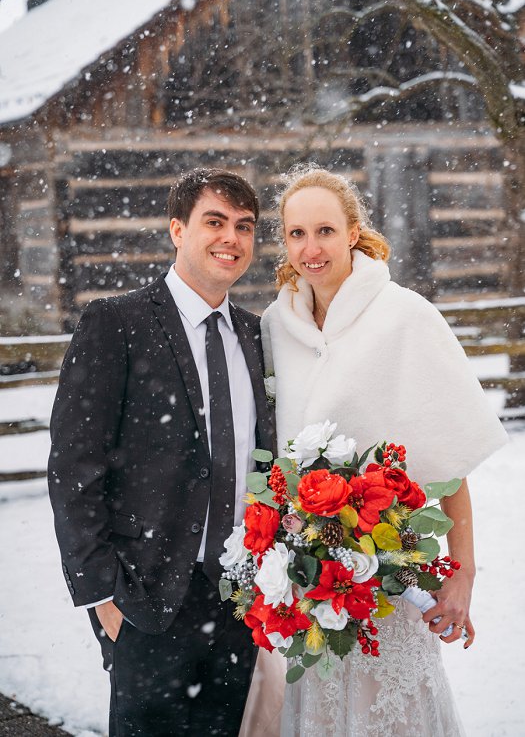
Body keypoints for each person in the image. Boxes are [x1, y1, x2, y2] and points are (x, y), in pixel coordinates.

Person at [260, 166, 508, 737]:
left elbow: (449, 460)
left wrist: (462, 573)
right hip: (309, 590)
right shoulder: (275, 328)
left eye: (324, 230)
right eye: (296, 234)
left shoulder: (405, 316)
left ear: (352, 231)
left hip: (392, 586)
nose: (311, 248)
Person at [48, 168, 274, 737]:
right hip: (148, 597)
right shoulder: (116, 324)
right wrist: (104, 595)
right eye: (214, 222)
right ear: (177, 229)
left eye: (244, 226)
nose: (231, 238)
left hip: (241, 597)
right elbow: (74, 468)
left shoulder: (257, 336)